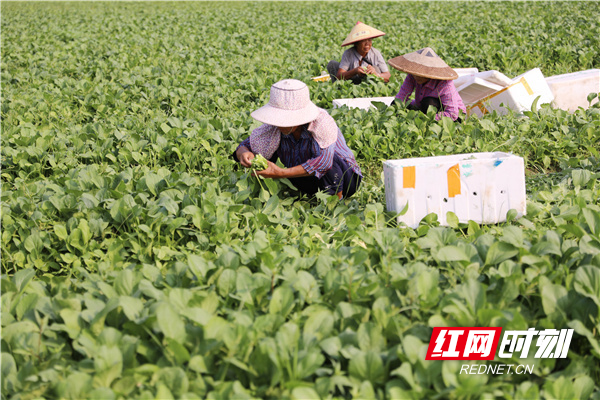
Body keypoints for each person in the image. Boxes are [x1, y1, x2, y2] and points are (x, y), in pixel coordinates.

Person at [234, 79, 362, 199]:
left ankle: (334, 203)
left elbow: (324, 163)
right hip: (305, 178)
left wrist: (280, 173)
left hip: (345, 180)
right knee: (264, 151)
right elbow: (244, 146)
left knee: (330, 159)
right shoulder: (273, 128)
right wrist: (245, 153)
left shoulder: (322, 124)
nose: (281, 122)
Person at [388, 47, 466, 121]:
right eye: (415, 73)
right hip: (422, 107)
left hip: (452, 117)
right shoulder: (412, 76)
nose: (416, 77)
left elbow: (452, 114)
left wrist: (423, 118)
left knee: (428, 103)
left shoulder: (444, 83)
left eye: (421, 74)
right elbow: (401, 97)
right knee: (396, 102)